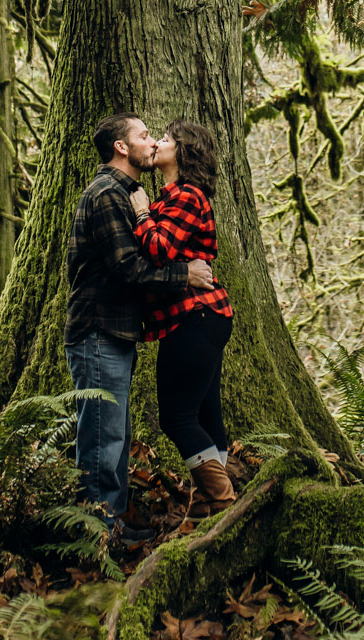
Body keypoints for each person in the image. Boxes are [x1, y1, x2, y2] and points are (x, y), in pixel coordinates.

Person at [67, 113, 215, 546]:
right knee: (102, 437)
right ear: (120, 147)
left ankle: (111, 523)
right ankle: (97, 539)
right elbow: (129, 268)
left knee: (116, 434)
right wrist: (184, 275)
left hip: (116, 332)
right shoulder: (107, 195)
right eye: (144, 135)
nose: (152, 142)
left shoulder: (127, 193)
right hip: (97, 330)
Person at [131, 119, 237, 513]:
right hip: (201, 319)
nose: (158, 142)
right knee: (207, 414)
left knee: (176, 418)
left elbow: (158, 250)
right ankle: (210, 507)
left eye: (167, 138)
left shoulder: (188, 197)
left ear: (185, 151)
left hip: (196, 318)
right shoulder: (172, 199)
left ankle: (223, 503)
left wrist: (141, 214)